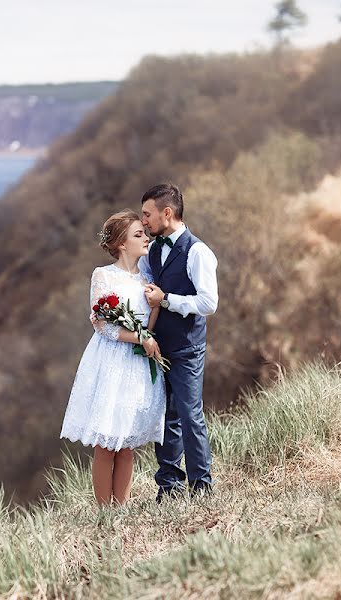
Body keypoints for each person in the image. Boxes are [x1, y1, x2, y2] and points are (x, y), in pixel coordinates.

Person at [60, 210, 167, 505]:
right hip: (111, 362)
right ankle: (103, 511)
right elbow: (101, 323)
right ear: (121, 243)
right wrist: (140, 337)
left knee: (127, 441)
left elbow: (150, 320)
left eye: (144, 233)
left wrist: (154, 309)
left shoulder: (148, 275)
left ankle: (121, 508)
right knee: (106, 442)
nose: (146, 237)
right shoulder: (104, 275)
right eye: (138, 235)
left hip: (137, 363)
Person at [138, 183, 218, 500]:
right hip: (158, 347)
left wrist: (168, 300)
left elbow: (208, 303)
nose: (143, 221)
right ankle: (168, 487)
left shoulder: (198, 252)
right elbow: (142, 284)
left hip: (187, 348)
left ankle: (202, 488)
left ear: (166, 213)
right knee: (164, 418)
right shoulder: (153, 250)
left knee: (189, 414)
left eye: (147, 215)